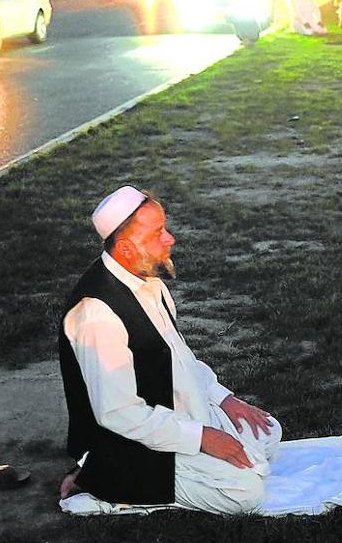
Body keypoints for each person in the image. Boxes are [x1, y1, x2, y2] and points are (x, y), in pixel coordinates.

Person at [59, 187, 283, 514]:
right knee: (244, 493)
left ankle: (197, 457)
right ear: (125, 248)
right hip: (125, 443)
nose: (171, 239)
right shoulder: (96, 313)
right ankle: (100, 481)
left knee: (268, 431)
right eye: (157, 233)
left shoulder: (151, 283)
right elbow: (119, 415)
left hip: (170, 413)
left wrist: (224, 399)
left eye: (165, 227)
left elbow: (179, 358)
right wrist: (203, 437)